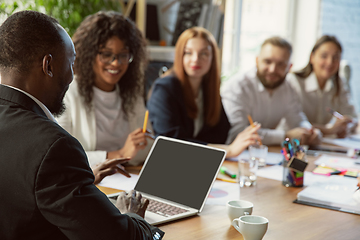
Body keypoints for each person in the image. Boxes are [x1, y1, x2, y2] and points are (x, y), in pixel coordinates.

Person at [0, 10, 164, 239]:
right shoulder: (54, 147)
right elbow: (118, 237)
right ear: (48, 65)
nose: (72, 75)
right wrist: (133, 215)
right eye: (71, 62)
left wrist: (80, 183)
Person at [56, 11, 152, 177]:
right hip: (88, 182)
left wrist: (132, 152)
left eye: (123, 55)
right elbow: (60, 155)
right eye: (106, 54)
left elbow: (147, 149)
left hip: (127, 180)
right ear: (89, 54)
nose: (116, 63)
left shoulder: (132, 93)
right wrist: (118, 155)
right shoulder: (69, 92)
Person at [147, 27, 261, 158]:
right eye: (188, 53)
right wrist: (227, 150)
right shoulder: (164, 89)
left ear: (213, 58)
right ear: (180, 56)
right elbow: (169, 143)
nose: (196, 59)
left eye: (204, 54)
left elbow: (221, 133)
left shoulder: (208, 88)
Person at [221, 36, 322, 146]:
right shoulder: (238, 87)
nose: (273, 69)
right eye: (267, 61)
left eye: (281, 64)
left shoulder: (288, 88)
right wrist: (285, 136)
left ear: (289, 67)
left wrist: (310, 131)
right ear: (257, 60)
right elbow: (237, 133)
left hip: (265, 155)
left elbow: (297, 118)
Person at [287, 35, 358, 138]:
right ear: (312, 57)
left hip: (321, 144)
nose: (330, 62)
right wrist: (330, 130)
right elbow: (294, 125)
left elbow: (353, 118)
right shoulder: (294, 81)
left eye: (335, 58)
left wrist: (345, 126)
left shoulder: (339, 83)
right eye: (324, 56)